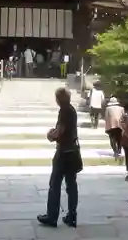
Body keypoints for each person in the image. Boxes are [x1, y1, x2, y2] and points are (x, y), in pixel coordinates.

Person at [37, 88, 81, 228]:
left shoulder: (64, 111)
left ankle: (52, 216)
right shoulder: (72, 110)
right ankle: (72, 216)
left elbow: (59, 132)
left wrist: (51, 135)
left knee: (55, 184)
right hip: (73, 151)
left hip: (63, 152)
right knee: (71, 185)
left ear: (58, 99)